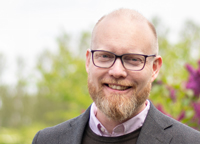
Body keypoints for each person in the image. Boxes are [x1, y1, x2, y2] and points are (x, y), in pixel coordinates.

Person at [32, 8, 200, 144]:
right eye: (105, 56)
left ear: (154, 68)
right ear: (89, 61)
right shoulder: (47, 140)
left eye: (133, 59)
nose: (117, 71)